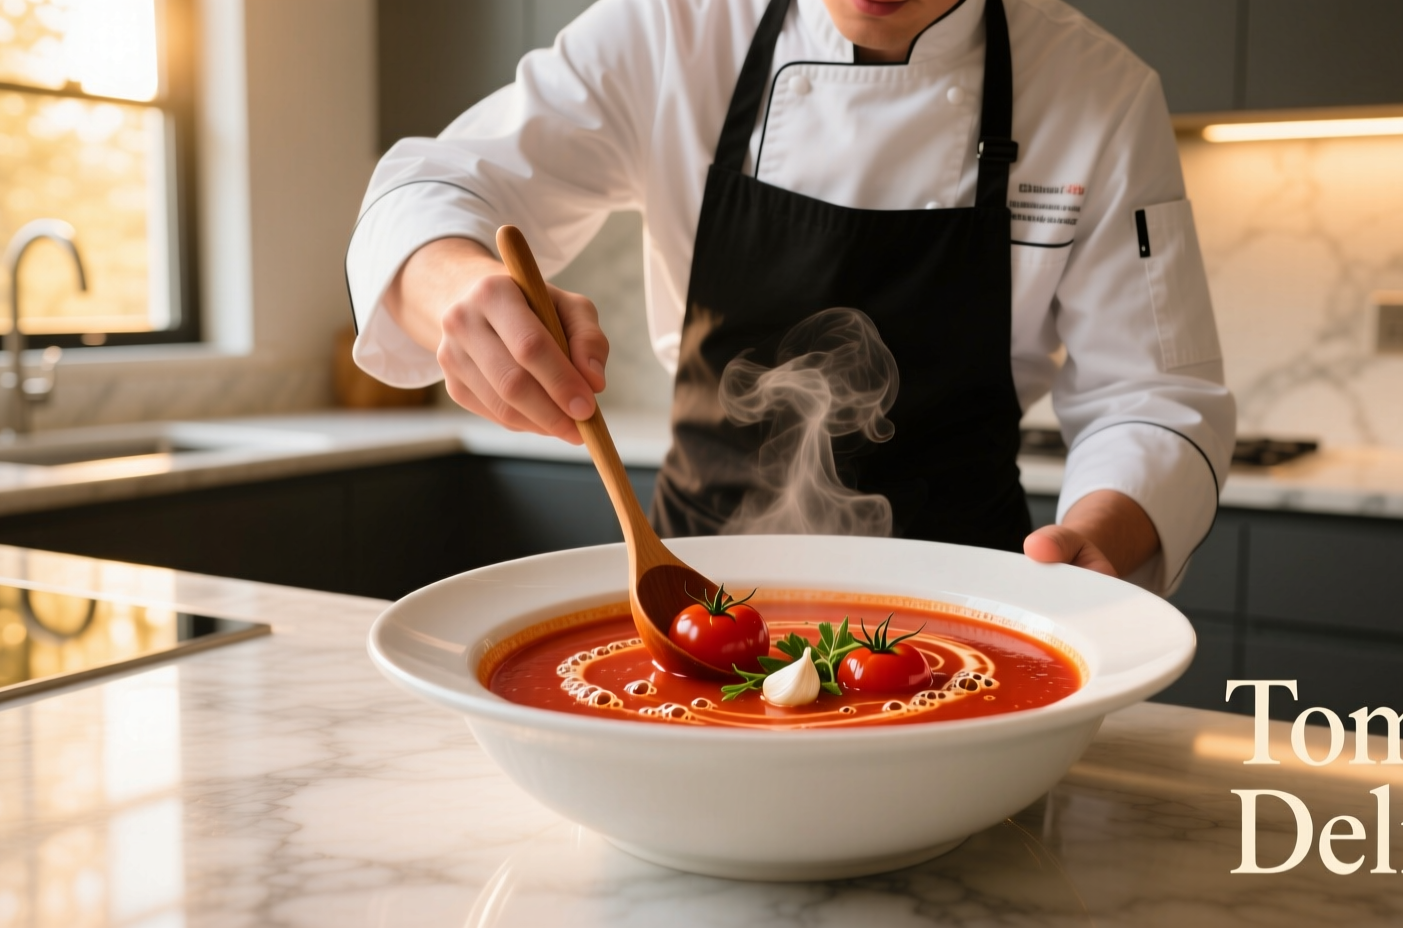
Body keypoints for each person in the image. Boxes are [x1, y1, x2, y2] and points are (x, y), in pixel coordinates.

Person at [345, 0, 1235, 593]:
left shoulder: (1099, 93)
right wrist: (454, 283)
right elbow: (435, 185)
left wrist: (1098, 539)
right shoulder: (672, 30)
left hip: (975, 607)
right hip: (693, 592)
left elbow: (1154, 397)